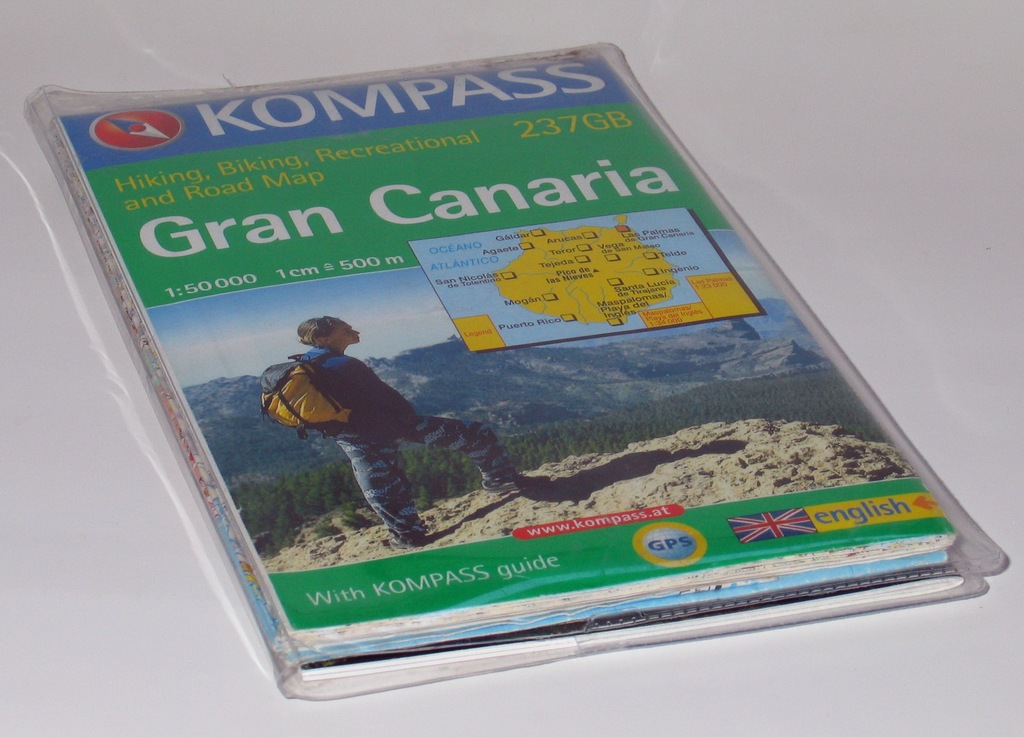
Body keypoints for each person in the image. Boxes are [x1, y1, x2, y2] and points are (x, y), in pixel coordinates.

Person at [295, 316, 523, 548]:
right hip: (390, 426)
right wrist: (408, 420)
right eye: (345, 329)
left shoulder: (306, 364)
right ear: (323, 338)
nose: (354, 330)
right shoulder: (344, 364)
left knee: (380, 483)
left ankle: (407, 535)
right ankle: (500, 479)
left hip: (351, 435)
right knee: (477, 434)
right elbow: (386, 397)